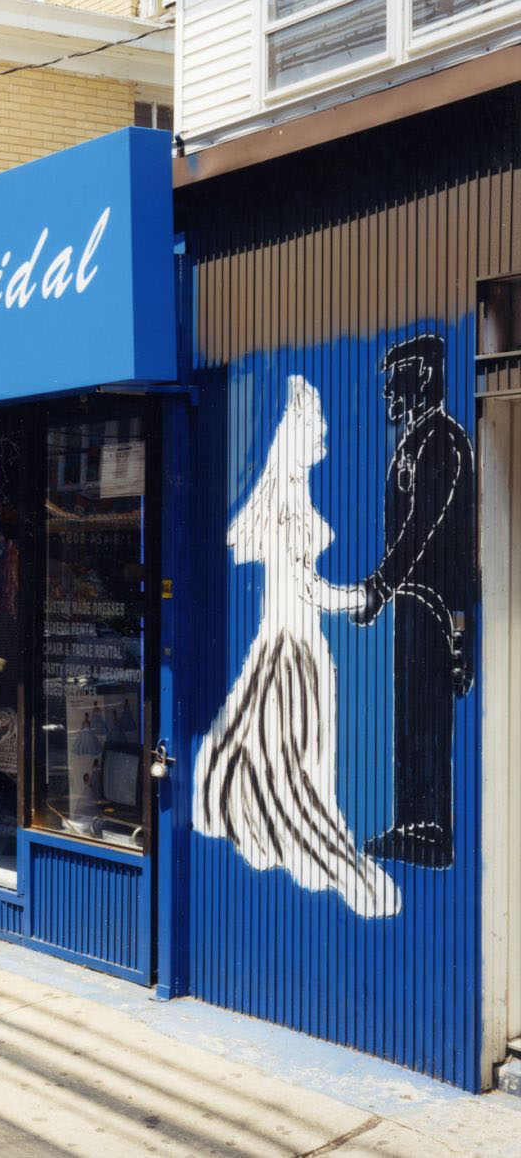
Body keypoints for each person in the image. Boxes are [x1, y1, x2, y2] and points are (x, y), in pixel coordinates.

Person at [192, 375, 399, 919]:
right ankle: (334, 865)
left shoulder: (292, 493)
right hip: (296, 653)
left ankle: (270, 837)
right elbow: (305, 586)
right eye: (316, 426)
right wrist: (357, 596)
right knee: (293, 764)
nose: (325, 435)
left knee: (273, 754)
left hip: (286, 647)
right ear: (293, 432)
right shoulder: (287, 502)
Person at [353, 334, 476, 870]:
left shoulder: (443, 442)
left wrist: (380, 585)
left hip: (433, 602)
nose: (386, 391)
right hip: (413, 600)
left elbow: (420, 527)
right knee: (408, 712)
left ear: (423, 375)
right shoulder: (412, 442)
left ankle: (432, 830)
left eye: (396, 377)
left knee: (427, 711)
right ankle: (412, 822)